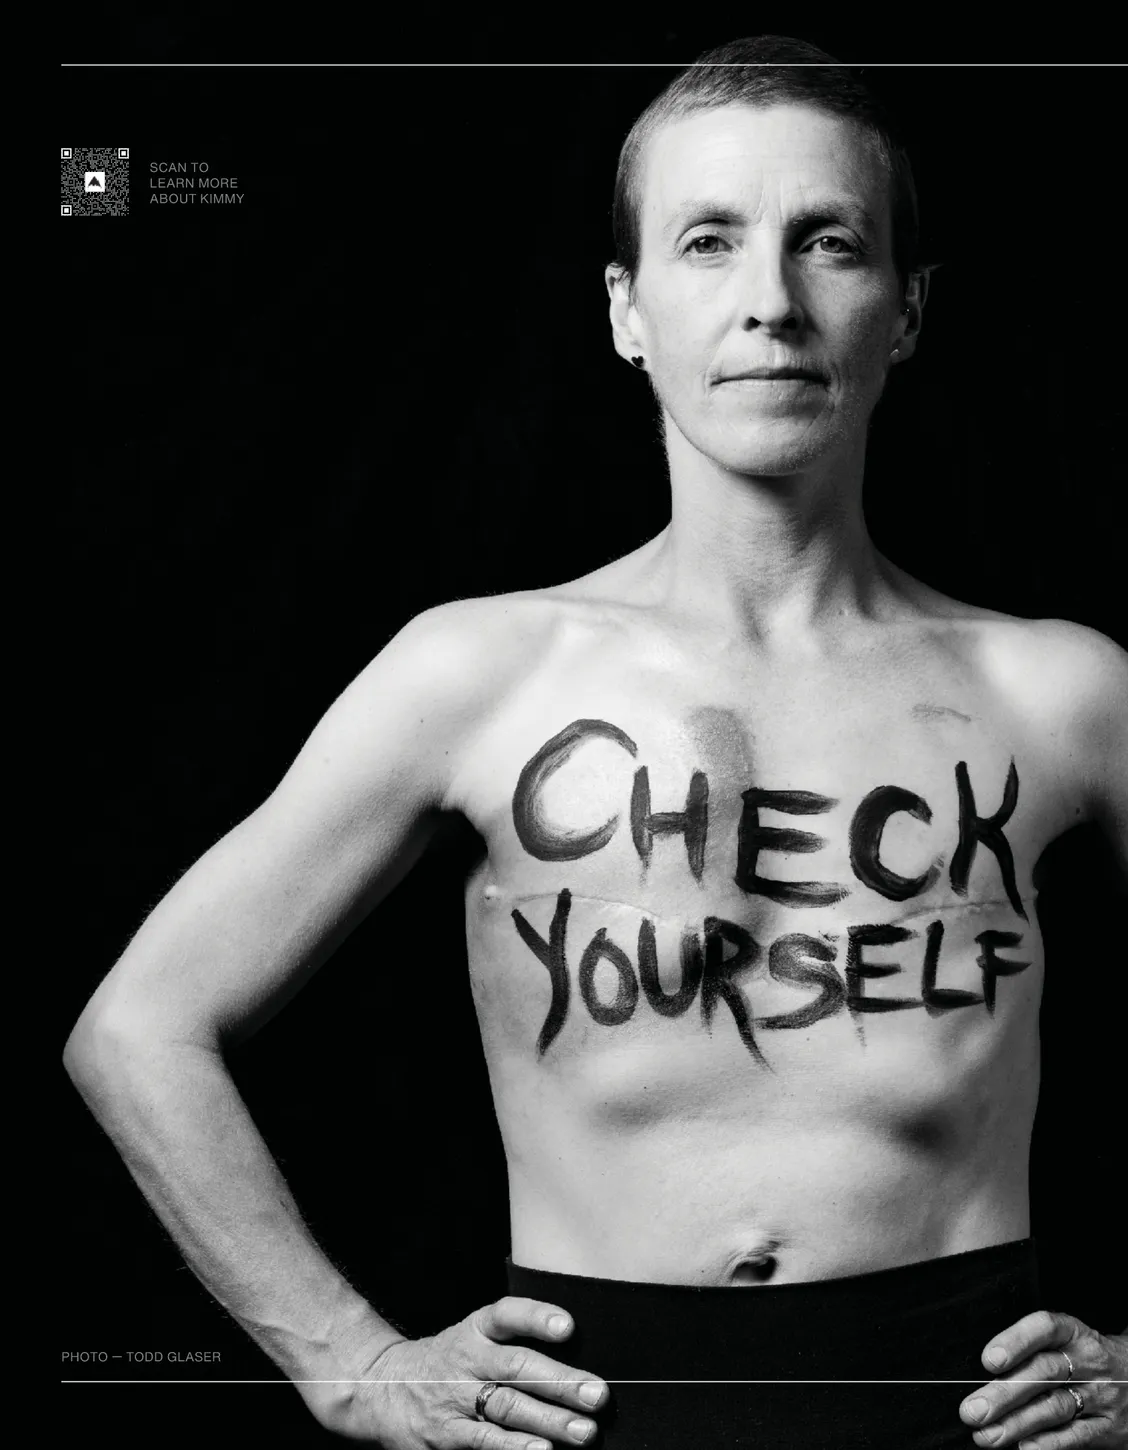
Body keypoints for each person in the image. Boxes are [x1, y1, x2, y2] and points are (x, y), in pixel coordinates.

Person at [63, 36, 1128, 1450]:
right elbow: (138, 1029)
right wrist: (349, 1360)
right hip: (591, 1415)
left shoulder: (1060, 692)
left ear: (908, 307)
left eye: (829, 242)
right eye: (708, 242)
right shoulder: (482, 674)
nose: (770, 301)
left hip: (970, 1415)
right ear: (627, 309)